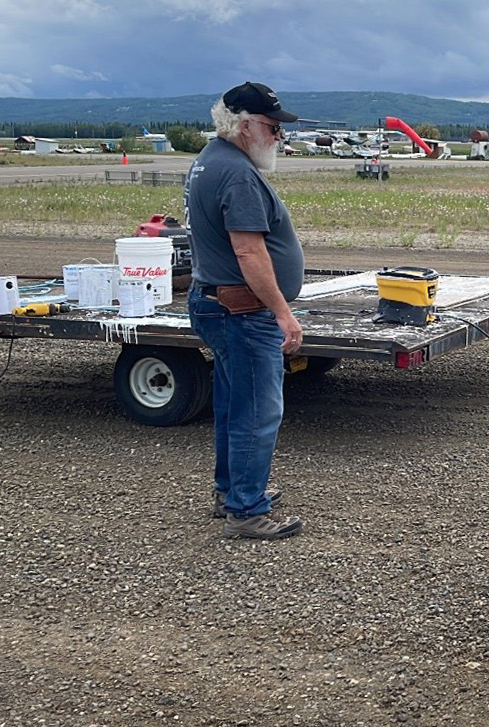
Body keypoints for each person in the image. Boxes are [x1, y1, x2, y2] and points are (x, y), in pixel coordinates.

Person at [184, 81, 304, 540]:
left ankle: (233, 491)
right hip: (241, 310)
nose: (278, 137)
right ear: (246, 124)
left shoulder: (210, 161)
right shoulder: (237, 173)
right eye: (273, 128)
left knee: (235, 406)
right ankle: (246, 510)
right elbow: (249, 252)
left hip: (217, 302)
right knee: (257, 411)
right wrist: (282, 313)